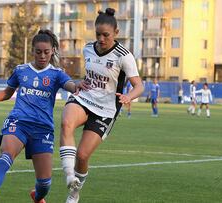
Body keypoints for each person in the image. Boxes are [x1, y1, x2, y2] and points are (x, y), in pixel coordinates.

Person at [0, 30, 87, 203]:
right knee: (5, 154)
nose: (42, 56)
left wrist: (77, 85)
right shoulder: (21, 70)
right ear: (32, 51)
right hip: (19, 122)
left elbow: (70, 84)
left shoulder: (56, 73)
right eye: (38, 52)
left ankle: (37, 196)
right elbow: (6, 93)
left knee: (44, 184)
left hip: (43, 130)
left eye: (46, 52)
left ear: (52, 50)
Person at [59, 8, 144, 203]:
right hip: (84, 98)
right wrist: (79, 83)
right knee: (66, 123)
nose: (101, 39)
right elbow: (91, 76)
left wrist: (129, 97)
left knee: (82, 155)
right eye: (98, 34)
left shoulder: (124, 56)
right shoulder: (88, 48)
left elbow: (139, 86)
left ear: (116, 33)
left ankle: (74, 191)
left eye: (106, 35)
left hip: (105, 110)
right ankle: (68, 175)